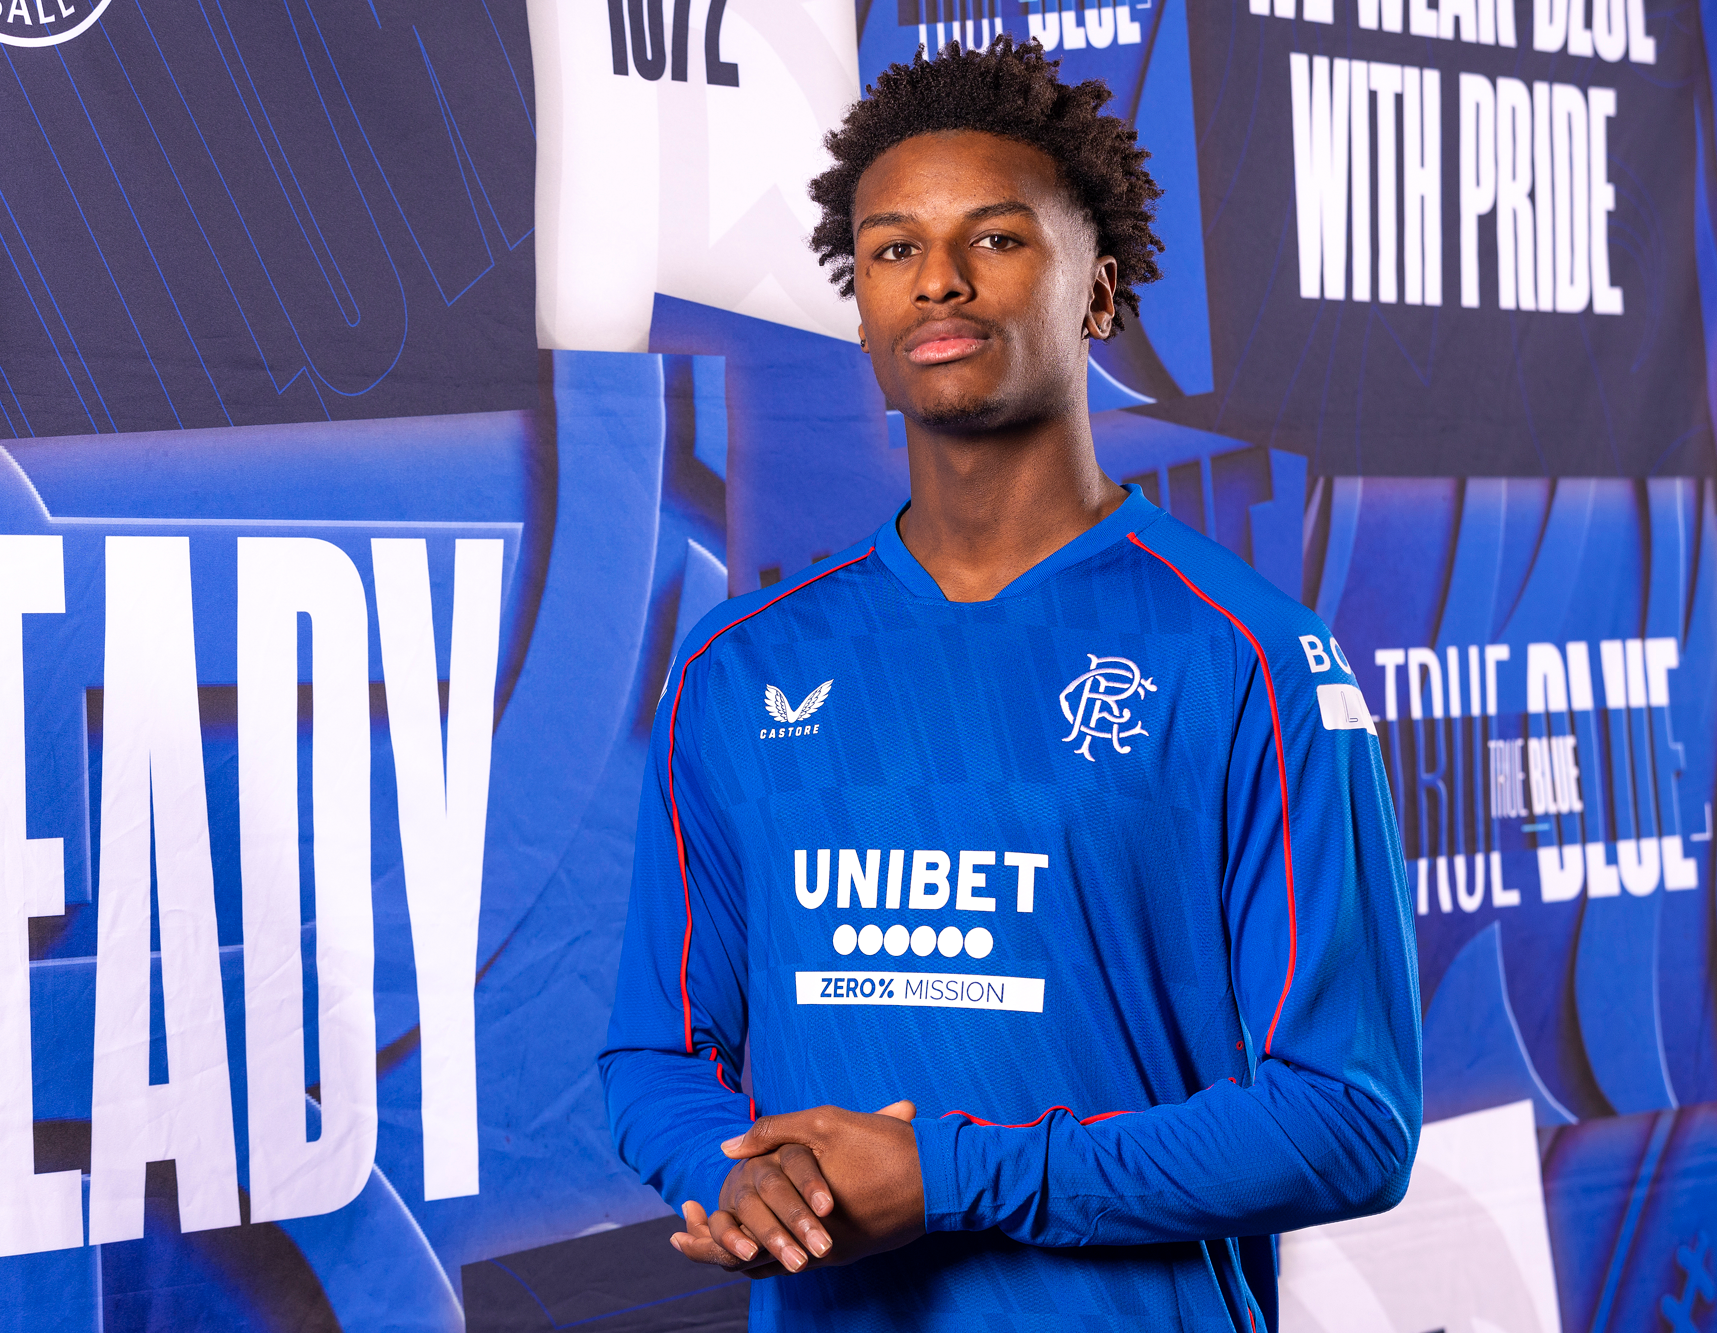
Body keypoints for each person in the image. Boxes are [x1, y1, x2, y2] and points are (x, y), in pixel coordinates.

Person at [598, 36, 1420, 1331]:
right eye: (891, 249)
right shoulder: (741, 667)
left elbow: (1348, 1119)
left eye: (994, 238)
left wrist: (957, 1179)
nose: (938, 279)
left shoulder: (1248, 656)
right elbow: (658, 1055)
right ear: (861, 305)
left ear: (1097, 292)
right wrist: (742, 1180)